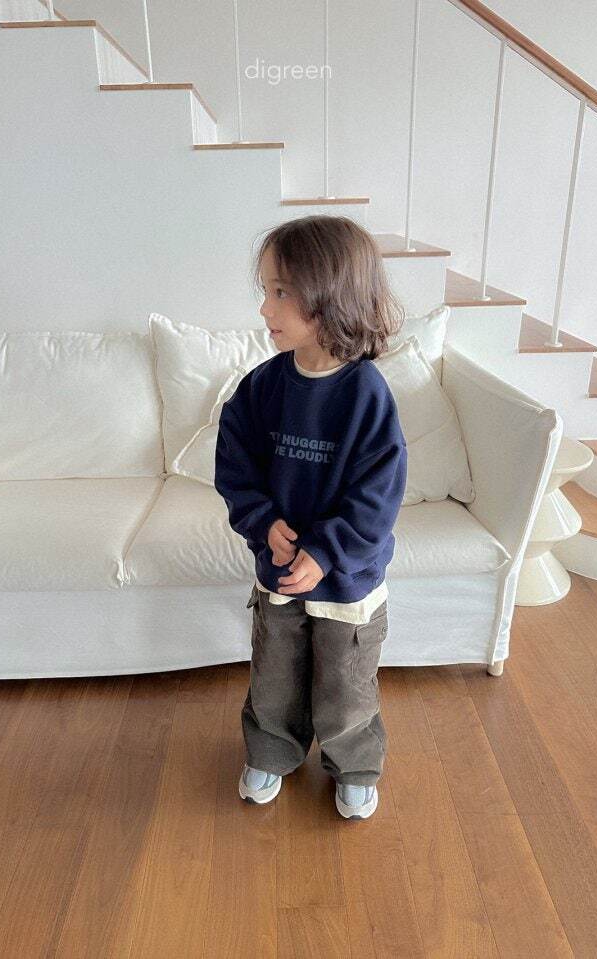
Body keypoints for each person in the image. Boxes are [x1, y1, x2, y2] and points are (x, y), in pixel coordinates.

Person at [214, 215, 408, 820]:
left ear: (329, 297)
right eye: (265, 290)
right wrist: (262, 522)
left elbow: (379, 494)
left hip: (347, 583)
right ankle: (271, 752)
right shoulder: (261, 388)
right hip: (279, 572)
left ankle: (354, 766)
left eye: (280, 292)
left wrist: (325, 552)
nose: (264, 308)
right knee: (275, 675)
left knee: (346, 684)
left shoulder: (366, 396)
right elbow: (235, 466)